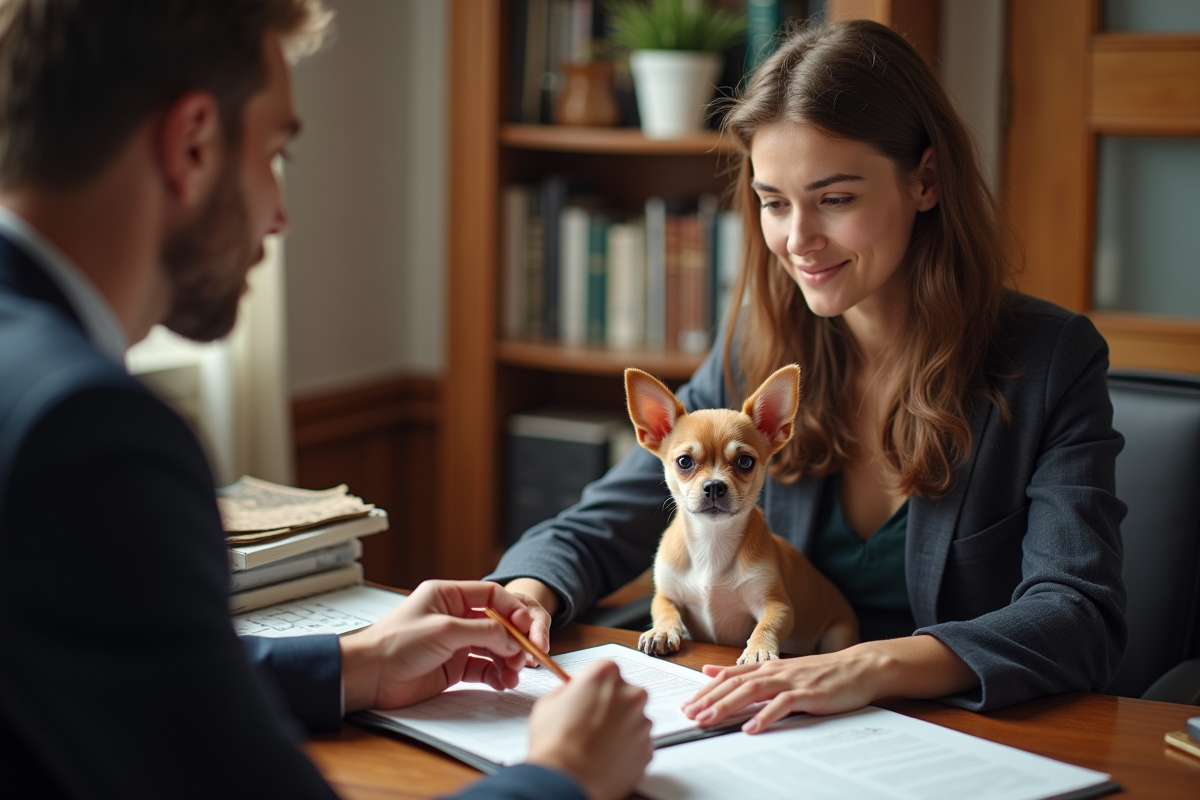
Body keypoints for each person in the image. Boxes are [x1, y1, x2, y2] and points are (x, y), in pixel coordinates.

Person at [0, 2, 652, 798]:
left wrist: (358, 665)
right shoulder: (87, 434)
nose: (279, 215)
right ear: (192, 142)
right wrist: (563, 774)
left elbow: (101, 672)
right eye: (275, 155)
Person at [489, 18, 1127, 732]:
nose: (797, 241)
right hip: (773, 730)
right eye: (773, 202)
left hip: (956, 734)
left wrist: (864, 665)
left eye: (835, 198)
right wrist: (528, 590)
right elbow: (617, 512)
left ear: (925, 179)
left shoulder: (1049, 360)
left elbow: (1078, 616)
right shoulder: (755, 347)